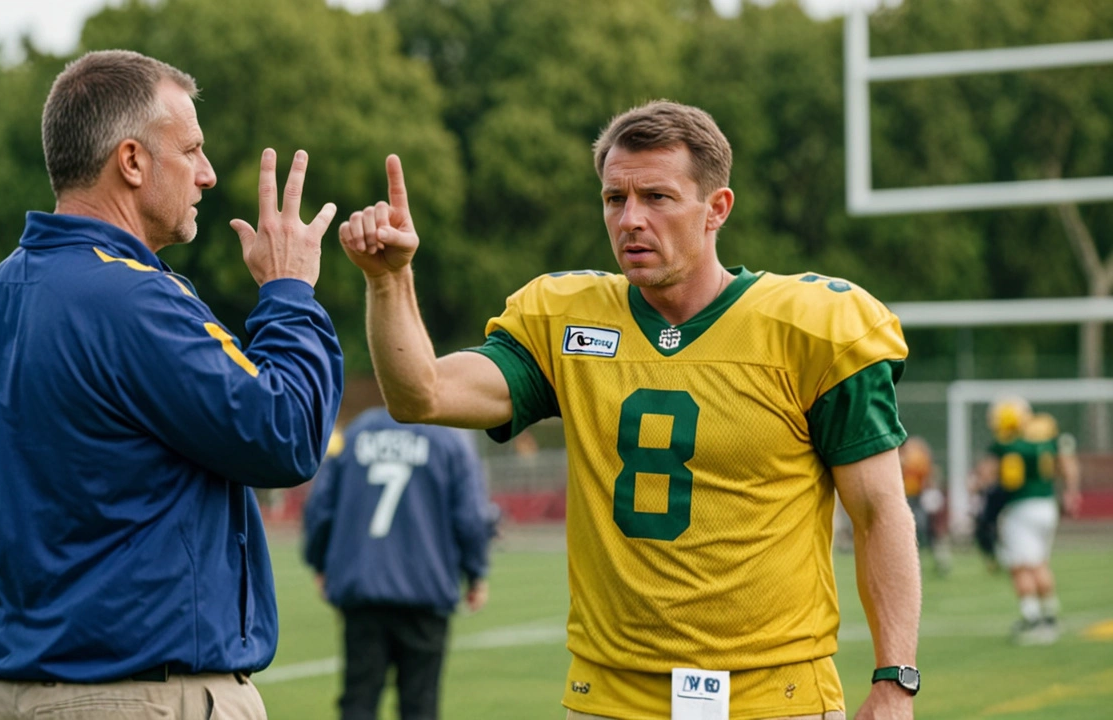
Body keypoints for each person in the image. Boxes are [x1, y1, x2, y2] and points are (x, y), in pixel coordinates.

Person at [338, 100, 921, 719]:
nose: (631, 219)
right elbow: (420, 394)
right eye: (615, 199)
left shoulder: (810, 327)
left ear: (715, 209)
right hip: (610, 699)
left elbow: (879, 511)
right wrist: (388, 281)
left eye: (658, 197)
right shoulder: (567, 318)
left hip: (773, 698)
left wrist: (894, 679)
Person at [0, 50, 343, 720]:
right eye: (193, 149)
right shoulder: (136, 299)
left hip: (11, 695)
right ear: (133, 160)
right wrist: (287, 292)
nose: (207, 174)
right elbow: (284, 434)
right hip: (140, 694)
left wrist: (61, 593)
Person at [303, 407, 494, 720]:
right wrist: (476, 573)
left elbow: (320, 508)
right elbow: (471, 518)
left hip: (362, 585)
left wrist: (320, 562)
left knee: (358, 700)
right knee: (420, 704)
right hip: (425, 590)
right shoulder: (449, 440)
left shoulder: (355, 433)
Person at [974, 398, 1081, 645]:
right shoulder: (1046, 438)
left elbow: (985, 474)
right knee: (1040, 563)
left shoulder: (1005, 444)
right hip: (1046, 504)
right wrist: (1071, 491)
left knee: (1021, 566)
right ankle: (1051, 615)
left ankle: (1033, 619)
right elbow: (1066, 464)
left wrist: (978, 487)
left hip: (1020, 507)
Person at [898, 436, 950, 576]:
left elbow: (930, 475)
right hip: (904, 498)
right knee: (912, 531)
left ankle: (939, 561)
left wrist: (931, 492)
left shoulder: (916, 456)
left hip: (918, 497)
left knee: (927, 529)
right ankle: (909, 563)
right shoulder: (903, 457)